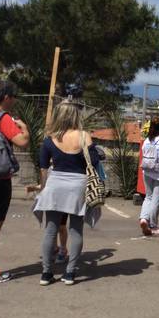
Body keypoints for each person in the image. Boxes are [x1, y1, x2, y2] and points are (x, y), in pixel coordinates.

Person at [33, 101, 100, 286]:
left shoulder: (49, 139)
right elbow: (93, 162)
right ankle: (70, 273)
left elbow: (43, 167)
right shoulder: (84, 136)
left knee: (50, 230)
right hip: (77, 185)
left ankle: (46, 273)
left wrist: (44, 188)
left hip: (55, 185)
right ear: (75, 116)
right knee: (76, 229)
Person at [0, 79, 29, 283]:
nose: (13, 100)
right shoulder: (2, 117)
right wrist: (24, 128)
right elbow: (22, 142)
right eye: (13, 97)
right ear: (6, 97)